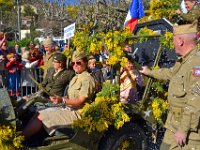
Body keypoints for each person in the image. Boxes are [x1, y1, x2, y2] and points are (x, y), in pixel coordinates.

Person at [140, 23, 200, 149]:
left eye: (173, 39)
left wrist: (183, 130)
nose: (172, 43)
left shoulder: (196, 63)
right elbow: (170, 73)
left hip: (189, 131)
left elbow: (196, 101)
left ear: (180, 41)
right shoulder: (184, 60)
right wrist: (149, 72)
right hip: (173, 124)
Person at [22, 51, 96, 139]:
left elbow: (81, 100)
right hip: (68, 108)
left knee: (41, 116)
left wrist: (62, 100)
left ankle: (18, 140)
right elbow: (70, 97)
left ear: (86, 63)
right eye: (73, 63)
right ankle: (25, 138)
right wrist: (61, 98)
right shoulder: (77, 76)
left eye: (78, 63)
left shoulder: (87, 79)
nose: (75, 65)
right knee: (37, 113)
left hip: (77, 114)